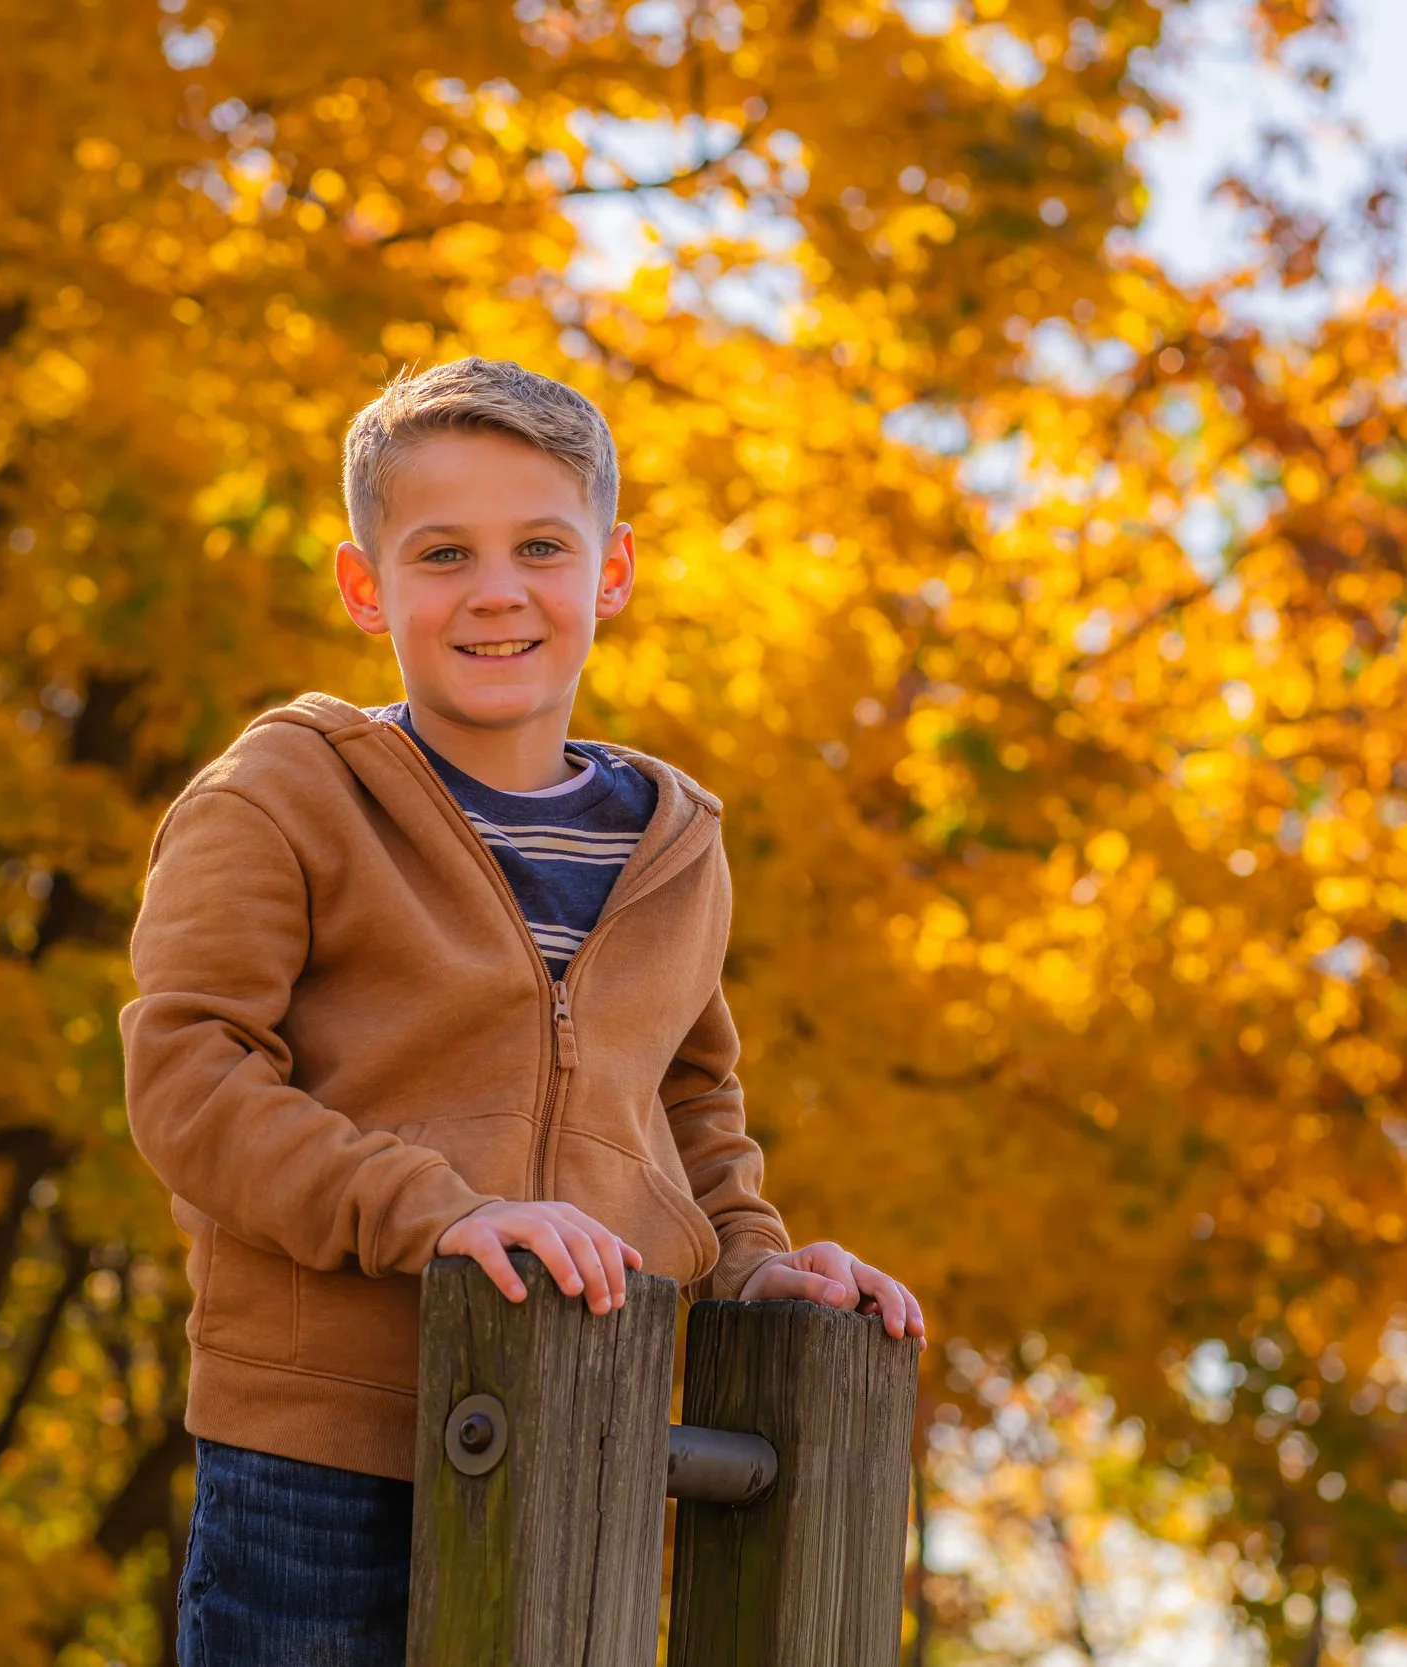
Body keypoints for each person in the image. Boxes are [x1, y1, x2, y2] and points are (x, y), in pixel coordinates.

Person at [120, 356, 925, 1666]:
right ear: (365, 585)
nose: (496, 591)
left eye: (541, 546)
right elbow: (188, 1077)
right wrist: (440, 1214)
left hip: (582, 1437)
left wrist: (753, 1264)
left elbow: (687, 1107)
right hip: (323, 1453)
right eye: (442, 553)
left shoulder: (674, 842)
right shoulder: (283, 794)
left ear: (612, 572)